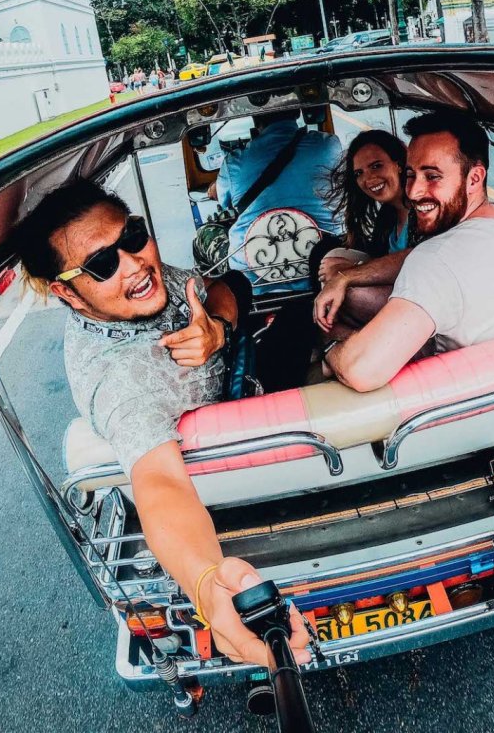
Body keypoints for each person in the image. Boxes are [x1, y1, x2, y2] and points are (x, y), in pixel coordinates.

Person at [15, 178, 309, 669]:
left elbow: (225, 287)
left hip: (242, 370)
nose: (133, 263)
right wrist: (206, 585)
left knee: (301, 310)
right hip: (252, 418)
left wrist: (218, 326)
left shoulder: (149, 281)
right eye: (102, 264)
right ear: (67, 293)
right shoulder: (117, 380)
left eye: (131, 237)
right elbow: (159, 484)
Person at [317, 110, 494, 392]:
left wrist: (330, 344)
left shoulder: (434, 259)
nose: (415, 191)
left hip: (446, 402)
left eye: (432, 176)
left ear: (474, 178)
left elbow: (359, 371)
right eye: (411, 175)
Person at [211, 109, 342, 390]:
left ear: (255, 119)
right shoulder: (327, 145)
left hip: (256, 282)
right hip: (322, 272)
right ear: (296, 111)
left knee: (207, 237)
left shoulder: (235, 162)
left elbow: (222, 200)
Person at [317, 129, 413, 287]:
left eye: (376, 166)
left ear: (398, 165)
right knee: (330, 256)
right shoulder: (387, 216)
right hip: (393, 287)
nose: (368, 179)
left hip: (417, 292)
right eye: (359, 173)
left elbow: (420, 259)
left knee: (346, 286)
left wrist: (349, 274)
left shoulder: (422, 208)